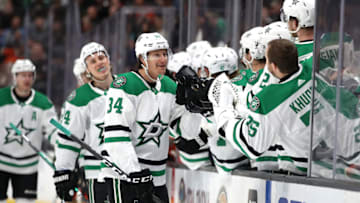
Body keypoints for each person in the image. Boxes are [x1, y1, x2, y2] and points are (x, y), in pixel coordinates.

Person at [101, 32, 194, 203]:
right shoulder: (125, 84)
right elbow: (116, 137)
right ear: (143, 58)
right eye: (156, 54)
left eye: (165, 54)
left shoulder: (169, 86)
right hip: (125, 178)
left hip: (156, 178)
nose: (163, 59)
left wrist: (192, 105)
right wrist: (134, 172)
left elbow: (186, 131)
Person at [208, 39, 322, 175]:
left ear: (272, 66)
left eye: (266, 60)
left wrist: (223, 111)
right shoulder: (312, 68)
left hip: (311, 169)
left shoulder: (269, 100)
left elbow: (251, 145)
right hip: (332, 155)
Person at [53, 42, 114, 202]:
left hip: (130, 171)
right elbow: (68, 140)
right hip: (95, 173)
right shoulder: (78, 99)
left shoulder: (127, 88)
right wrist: (64, 170)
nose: (99, 63)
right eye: (92, 62)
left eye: (101, 58)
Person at [0, 59, 57, 203]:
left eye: (30, 75)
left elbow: (53, 131)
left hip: (28, 167)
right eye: (23, 75)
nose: (27, 79)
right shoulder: (1, 97)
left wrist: (63, 149)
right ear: (15, 77)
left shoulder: (44, 103)